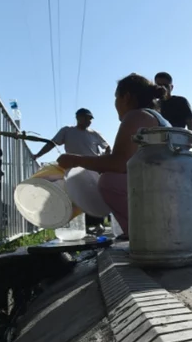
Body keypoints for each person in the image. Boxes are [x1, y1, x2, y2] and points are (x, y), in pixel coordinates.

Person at [56, 74, 171, 238]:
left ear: (127, 97)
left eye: (116, 97)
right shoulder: (155, 117)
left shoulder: (136, 116)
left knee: (109, 181)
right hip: (170, 190)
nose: (115, 103)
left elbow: (119, 163)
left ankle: (146, 233)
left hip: (162, 193)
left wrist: (74, 160)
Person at [34, 108, 111, 232]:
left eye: (91, 119)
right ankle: (83, 227)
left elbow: (107, 147)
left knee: (95, 195)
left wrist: (105, 159)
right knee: (78, 197)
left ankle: (98, 224)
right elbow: (52, 143)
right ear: (78, 117)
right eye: (87, 118)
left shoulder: (94, 133)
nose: (89, 121)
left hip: (92, 169)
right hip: (73, 170)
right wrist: (38, 155)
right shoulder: (67, 131)